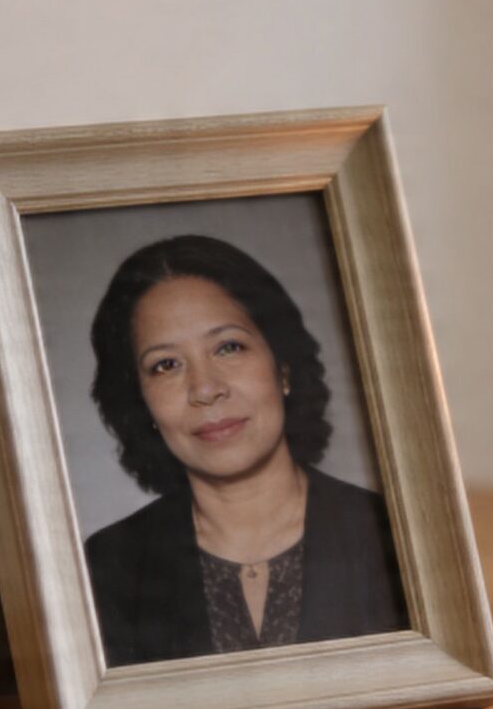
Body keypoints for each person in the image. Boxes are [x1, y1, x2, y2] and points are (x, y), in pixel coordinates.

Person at [81, 234, 410, 667]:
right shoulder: (106, 568)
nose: (205, 389)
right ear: (141, 403)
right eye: (166, 365)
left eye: (228, 347)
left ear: (283, 367)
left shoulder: (396, 535)